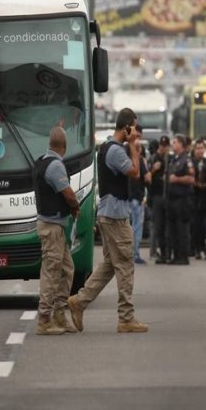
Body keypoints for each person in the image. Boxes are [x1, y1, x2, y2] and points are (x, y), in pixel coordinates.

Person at [68, 109, 148, 333]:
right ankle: (126, 317)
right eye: (134, 128)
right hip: (115, 217)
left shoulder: (106, 148)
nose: (136, 133)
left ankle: (79, 301)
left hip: (109, 214)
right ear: (127, 128)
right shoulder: (115, 151)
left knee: (111, 265)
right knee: (125, 266)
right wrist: (133, 147)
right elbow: (135, 173)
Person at [33, 128, 80, 335]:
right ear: (64, 146)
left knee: (66, 269)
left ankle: (59, 314)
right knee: (52, 273)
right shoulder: (55, 166)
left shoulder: (41, 161)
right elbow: (68, 194)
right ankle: (44, 319)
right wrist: (75, 207)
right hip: (52, 228)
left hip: (53, 227)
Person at [166, 135, 196, 265]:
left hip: (182, 199)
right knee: (173, 230)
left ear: (181, 145)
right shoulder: (174, 160)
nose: (173, 144)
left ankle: (183, 256)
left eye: (175, 142)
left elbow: (191, 178)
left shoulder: (186, 160)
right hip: (172, 200)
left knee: (181, 229)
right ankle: (176, 255)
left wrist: (177, 179)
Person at [128, 126, 148, 265]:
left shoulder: (125, 161)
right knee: (136, 227)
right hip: (137, 198)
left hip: (127, 199)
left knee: (127, 228)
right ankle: (135, 254)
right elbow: (148, 179)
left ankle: (128, 254)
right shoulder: (140, 161)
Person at [149, 136, 171, 263]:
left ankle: (166, 252)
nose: (163, 148)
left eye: (165, 146)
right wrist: (153, 169)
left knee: (166, 225)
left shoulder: (169, 158)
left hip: (166, 196)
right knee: (157, 225)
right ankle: (157, 251)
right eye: (162, 146)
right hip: (156, 196)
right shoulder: (154, 158)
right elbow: (147, 177)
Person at [190, 139, 206, 259]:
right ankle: (195, 248)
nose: (200, 150)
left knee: (205, 225)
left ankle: (203, 247)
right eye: (198, 148)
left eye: (202, 148)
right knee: (195, 225)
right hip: (194, 197)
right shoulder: (191, 163)